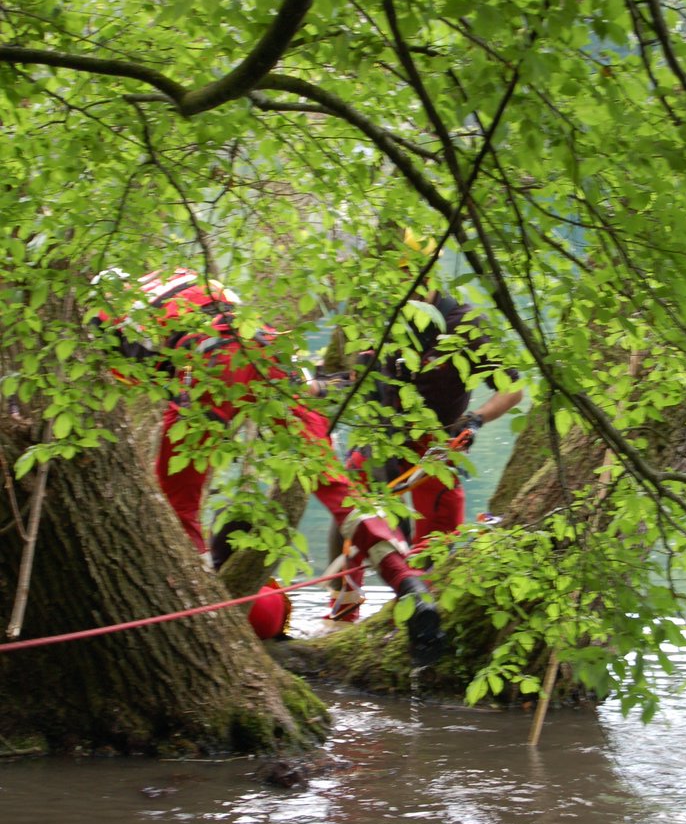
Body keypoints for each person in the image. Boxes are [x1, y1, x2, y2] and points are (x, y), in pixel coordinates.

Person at [90, 266, 446, 664]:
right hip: (272, 353)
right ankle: (409, 585)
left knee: (180, 506)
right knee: (336, 487)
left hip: (208, 363)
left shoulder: (107, 315)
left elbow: (148, 378)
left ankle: (200, 616)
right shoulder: (181, 275)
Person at [326, 234, 523, 622]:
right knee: (347, 521)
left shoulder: (464, 324)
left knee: (433, 556)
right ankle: (344, 614)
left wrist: (476, 420)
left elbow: (512, 389)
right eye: (393, 276)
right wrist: (319, 387)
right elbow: (357, 378)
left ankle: (417, 623)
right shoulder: (387, 320)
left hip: (434, 452)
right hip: (382, 443)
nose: (398, 285)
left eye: (405, 274)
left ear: (427, 273)